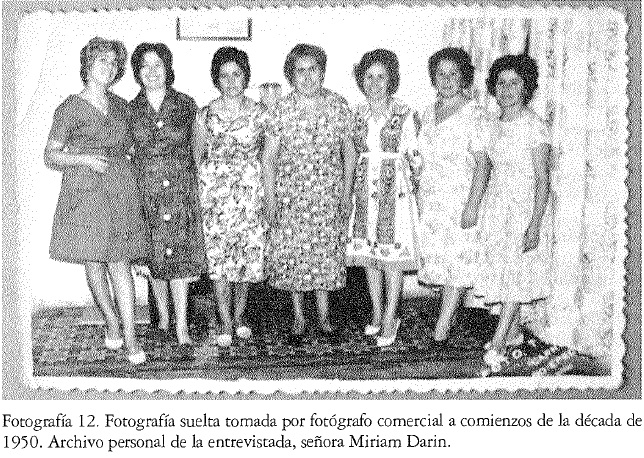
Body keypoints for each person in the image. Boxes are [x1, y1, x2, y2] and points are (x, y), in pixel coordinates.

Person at [44, 37, 150, 365]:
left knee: (120, 262)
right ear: (87, 65)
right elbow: (51, 155)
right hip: (85, 190)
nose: (109, 67)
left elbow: (134, 144)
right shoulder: (70, 107)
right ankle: (111, 321)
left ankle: (130, 338)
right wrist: (85, 159)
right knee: (94, 261)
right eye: (102, 60)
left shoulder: (122, 106)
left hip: (119, 188)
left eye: (114, 63)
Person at [263, 43, 356, 341]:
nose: (307, 76)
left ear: (322, 72)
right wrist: (271, 199)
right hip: (291, 195)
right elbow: (269, 158)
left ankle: (325, 316)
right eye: (300, 71)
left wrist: (346, 196)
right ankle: (299, 317)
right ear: (291, 76)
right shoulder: (281, 109)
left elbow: (350, 154)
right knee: (294, 256)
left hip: (327, 194)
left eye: (313, 69)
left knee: (324, 255)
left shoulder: (338, 105)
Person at [476, 54, 552, 368]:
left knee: (516, 272)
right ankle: (514, 333)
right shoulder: (491, 125)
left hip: (523, 207)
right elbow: (486, 169)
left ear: (526, 87)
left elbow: (543, 180)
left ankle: (497, 342)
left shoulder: (534, 125)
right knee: (505, 270)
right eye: (501, 83)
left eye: (514, 83)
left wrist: (535, 224)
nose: (506, 89)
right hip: (497, 205)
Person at [129, 42, 205, 345]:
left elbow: (198, 147)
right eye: (145, 66)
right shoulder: (130, 109)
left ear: (167, 68)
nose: (152, 71)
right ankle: (162, 317)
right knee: (154, 257)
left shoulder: (186, 104)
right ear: (137, 72)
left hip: (179, 190)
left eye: (157, 65)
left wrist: (191, 183)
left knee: (180, 259)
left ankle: (182, 325)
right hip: (147, 190)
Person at [346, 49, 422, 347]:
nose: (375, 83)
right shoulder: (356, 113)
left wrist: (416, 191)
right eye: (369, 77)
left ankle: (391, 316)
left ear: (391, 79)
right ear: (361, 80)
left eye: (381, 77)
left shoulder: (404, 112)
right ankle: (377, 312)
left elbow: (415, 156)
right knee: (370, 256)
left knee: (391, 258)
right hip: (364, 189)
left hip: (395, 190)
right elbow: (350, 153)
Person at [193, 47, 267, 347]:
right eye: (224, 75)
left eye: (237, 74)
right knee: (220, 261)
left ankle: (239, 317)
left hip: (249, 193)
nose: (231, 80)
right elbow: (197, 156)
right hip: (216, 196)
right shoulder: (205, 114)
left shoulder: (260, 112)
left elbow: (268, 154)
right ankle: (224, 321)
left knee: (245, 259)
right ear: (216, 79)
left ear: (246, 77)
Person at [417, 47, 491, 344]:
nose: (446, 80)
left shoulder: (475, 114)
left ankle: (442, 326)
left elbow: (484, 164)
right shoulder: (427, 112)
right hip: (432, 197)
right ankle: (448, 314)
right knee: (441, 259)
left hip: (460, 196)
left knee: (458, 262)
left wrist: (472, 205)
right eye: (441, 74)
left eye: (453, 74)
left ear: (464, 78)